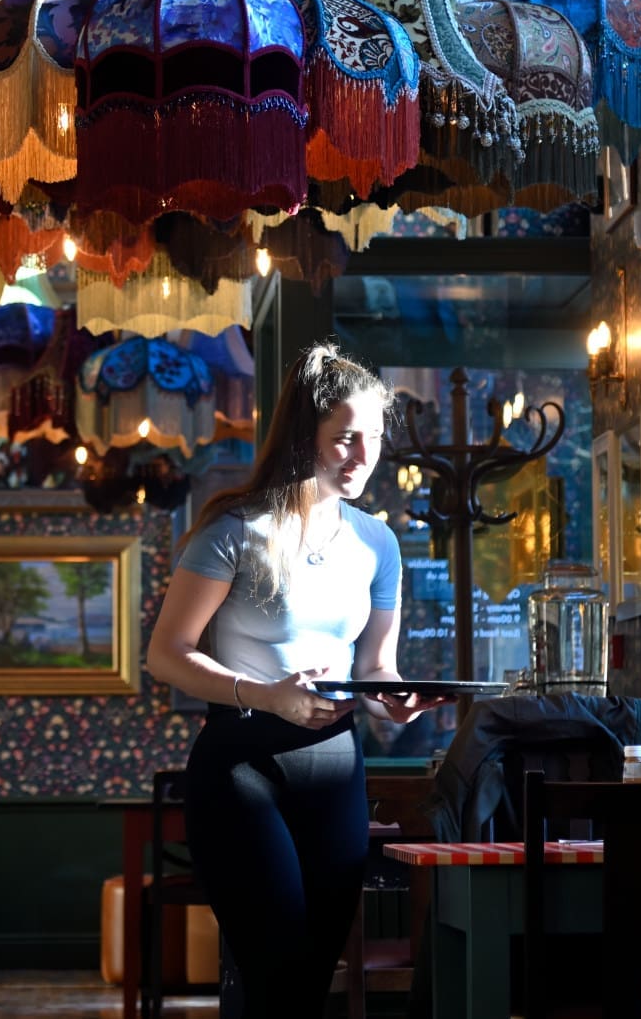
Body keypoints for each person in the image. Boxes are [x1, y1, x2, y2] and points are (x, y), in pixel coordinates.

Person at [144, 344, 442, 1017]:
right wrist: (265, 693)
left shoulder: (379, 543)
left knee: (310, 980)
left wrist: (395, 699)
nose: (362, 455)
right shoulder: (234, 529)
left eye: (372, 437)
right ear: (305, 434)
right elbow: (166, 654)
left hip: (338, 768)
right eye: (345, 438)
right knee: (273, 968)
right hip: (242, 766)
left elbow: (375, 667)